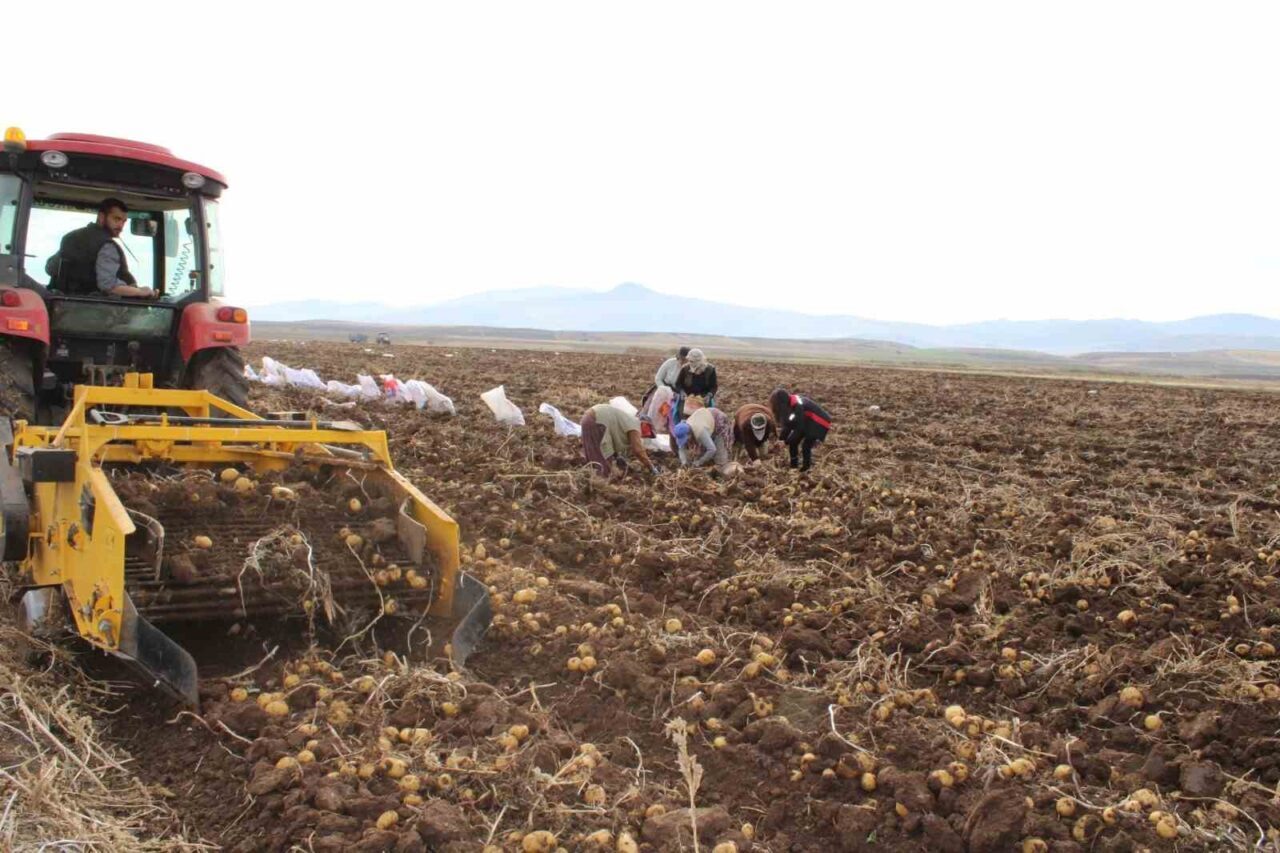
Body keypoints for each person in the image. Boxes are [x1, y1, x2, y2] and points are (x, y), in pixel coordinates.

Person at [46, 198, 156, 299]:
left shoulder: (70, 237)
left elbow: (50, 268)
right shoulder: (107, 246)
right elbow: (109, 286)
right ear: (101, 217)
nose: (121, 226)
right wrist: (140, 292)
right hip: (94, 312)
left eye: (123, 221)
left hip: (61, 309)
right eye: (116, 219)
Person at [580, 403, 660, 477]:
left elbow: (615, 433)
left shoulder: (628, 421)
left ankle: (589, 480)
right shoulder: (636, 425)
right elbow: (638, 451)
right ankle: (598, 485)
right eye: (649, 432)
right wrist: (651, 467)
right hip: (597, 421)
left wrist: (617, 456)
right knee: (604, 465)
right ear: (645, 424)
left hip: (590, 418)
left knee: (593, 456)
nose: (647, 435)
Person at [769, 388, 832, 472]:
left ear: (781, 403)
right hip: (807, 421)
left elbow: (799, 429)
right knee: (793, 442)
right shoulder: (789, 405)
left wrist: (785, 442)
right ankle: (794, 466)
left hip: (819, 422)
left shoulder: (798, 406)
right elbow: (789, 425)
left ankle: (806, 469)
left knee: (806, 446)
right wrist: (781, 439)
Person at [674, 405, 735, 473]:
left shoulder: (700, 431)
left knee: (720, 459)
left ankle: (721, 468)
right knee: (700, 454)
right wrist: (684, 462)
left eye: (686, 438)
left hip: (717, 419)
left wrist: (699, 462)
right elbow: (681, 448)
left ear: (689, 433)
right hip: (704, 419)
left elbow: (712, 449)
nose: (686, 441)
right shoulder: (681, 428)